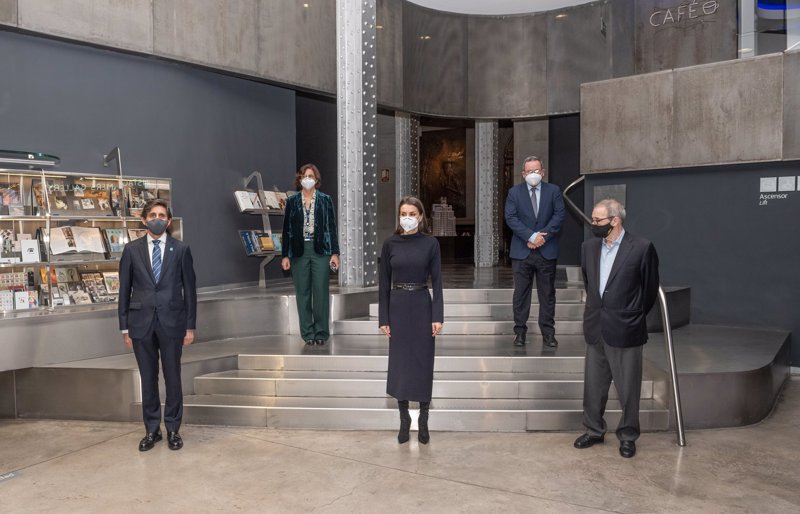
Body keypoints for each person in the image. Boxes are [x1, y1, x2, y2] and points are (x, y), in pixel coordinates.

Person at [574, 199, 659, 459]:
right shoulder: (588, 247)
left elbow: (649, 291)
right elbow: (589, 283)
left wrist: (631, 314)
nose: (593, 224)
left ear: (615, 221)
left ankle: (628, 435)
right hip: (596, 326)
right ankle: (594, 430)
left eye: (597, 220)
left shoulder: (641, 248)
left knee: (628, 388)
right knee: (593, 386)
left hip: (626, 328)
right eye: (592, 219)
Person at [118, 198, 197, 452]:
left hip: (172, 323)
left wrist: (190, 326)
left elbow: (190, 290)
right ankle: (152, 430)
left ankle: (173, 428)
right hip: (140, 324)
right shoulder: (131, 250)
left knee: (173, 377)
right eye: (152, 215)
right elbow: (124, 290)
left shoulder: (181, 249)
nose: (157, 219)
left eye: (162, 215)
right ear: (144, 220)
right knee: (148, 378)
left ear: (169, 221)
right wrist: (124, 327)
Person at [378, 196, 443, 445]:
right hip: (397, 307)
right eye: (403, 213)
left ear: (420, 216)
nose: (407, 218)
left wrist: (437, 315)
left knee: (423, 362)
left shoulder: (430, 244)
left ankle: (424, 419)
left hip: (421, 304)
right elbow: (384, 284)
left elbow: (437, 282)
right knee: (401, 364)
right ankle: (404, 418)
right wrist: (384, 318)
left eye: (412, 214)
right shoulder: (390, 244)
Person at [504, 156, 565, 348]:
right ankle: (520, 332)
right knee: (521, 294)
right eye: (529, 171)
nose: (533, 174)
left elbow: (559, 215)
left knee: (547, 294)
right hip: (522, 251)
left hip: (547, 250)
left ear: (543, 172)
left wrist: (541, 238)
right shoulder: (514, 193)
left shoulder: (553, 191)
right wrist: (530, 237)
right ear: (523, 174)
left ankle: (548, 333)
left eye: (536, 170)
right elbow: (511, 218)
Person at [281, 164, 340, 346]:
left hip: (321, 251)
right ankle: (307, 333)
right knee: (303, 293)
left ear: (316, 179)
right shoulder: (292, 201)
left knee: (320, 291)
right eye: (304, 176)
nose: (308, 179)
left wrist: (335, 253)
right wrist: (285, 255)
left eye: (311, 176)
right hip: (299, 252)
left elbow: (331, 228)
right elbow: (286, 230)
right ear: (299, 179)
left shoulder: (325, 200)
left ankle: (321, 332)